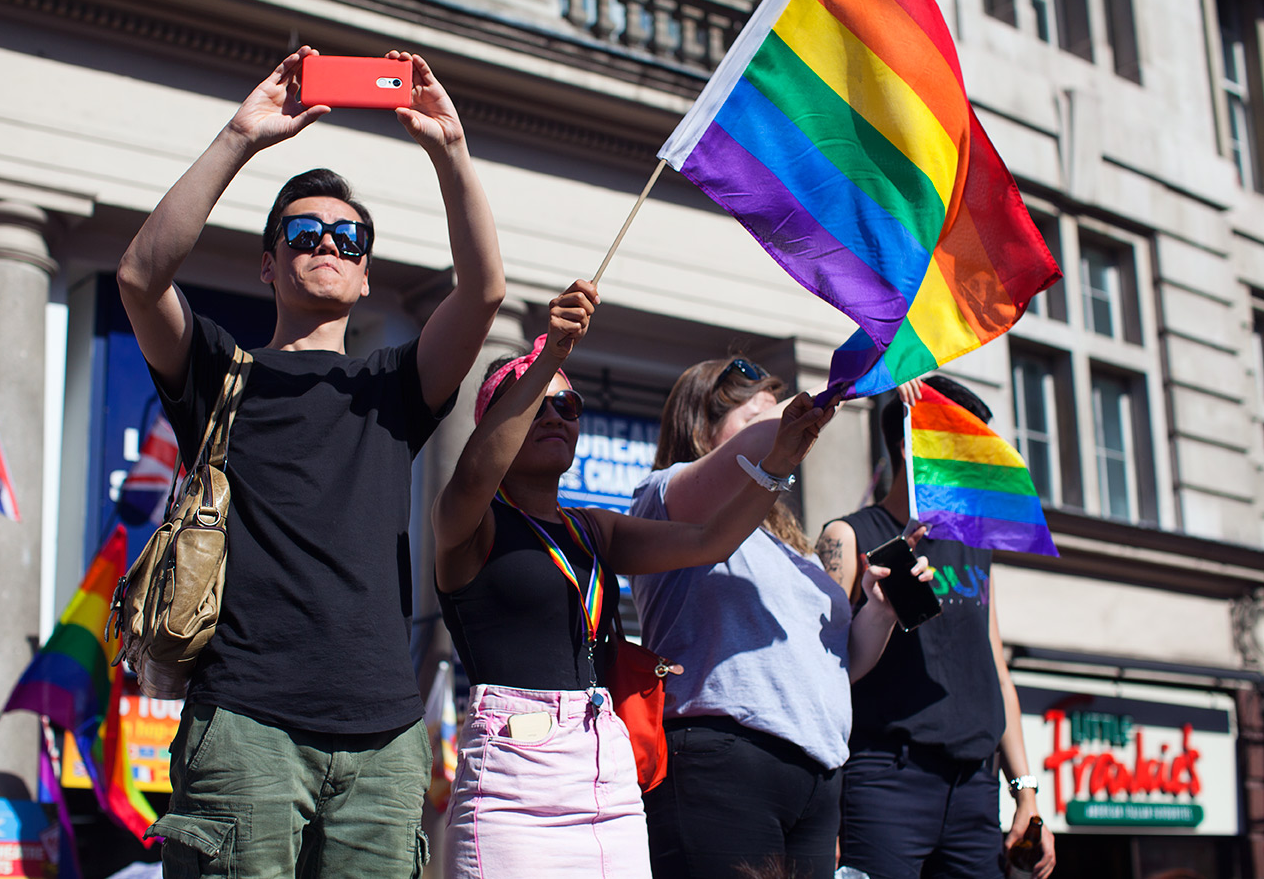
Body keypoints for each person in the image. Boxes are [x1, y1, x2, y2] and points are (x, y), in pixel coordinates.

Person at [116, 46, 505, 877]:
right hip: (246, 723)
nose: (326, 242)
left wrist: (451, 152)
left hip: (386, 741)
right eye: (302, 232)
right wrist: (241, 136)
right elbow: (142, 278)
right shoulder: (224, 374)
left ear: (366, 274)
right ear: (270, 262)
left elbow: (483, 294)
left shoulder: (393, 386)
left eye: (347, 236)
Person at [431, 281, 837, 878]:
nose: (554, 414)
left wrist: (779, 463)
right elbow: (471, 476)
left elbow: (711, 541)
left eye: (567, 406)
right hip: (514, 780)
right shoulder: (469, 523)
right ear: (495, 424)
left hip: (606, 771)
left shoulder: (594, 530)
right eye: (533, 402)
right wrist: (550, 358)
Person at [627, 359, 930, 879]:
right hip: (723, 764)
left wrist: (879, 608)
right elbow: (738, 463)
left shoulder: (799, 552)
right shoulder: (667, 495)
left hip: (816, 778)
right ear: (703, 430)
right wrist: (849, 380)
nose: (788, 430)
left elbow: (839, 664)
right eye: (758, 420)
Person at [816, 375, 1057, 879]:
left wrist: (1026, 794)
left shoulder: (975, 544)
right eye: (960, 443)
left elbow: (997, 673)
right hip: (884, 780)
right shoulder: (848, 536)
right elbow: (821, 674)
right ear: (912, 445)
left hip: (974, 789)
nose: (974, 464)